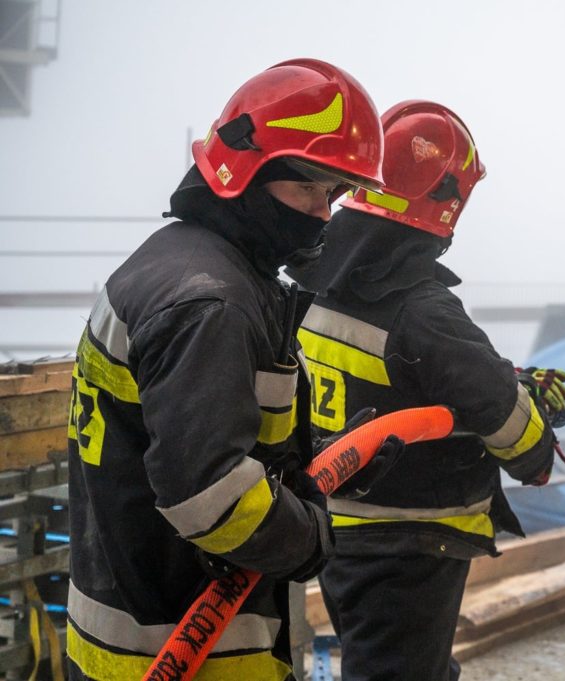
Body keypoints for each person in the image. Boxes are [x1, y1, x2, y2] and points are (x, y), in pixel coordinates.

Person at [65, 58, 395, 680]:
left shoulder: (173, 263)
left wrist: (326, 463)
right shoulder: (211, 303)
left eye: (333, 195)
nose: (323, 215)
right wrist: (310, 539)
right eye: (308, 189)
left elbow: (197, 431)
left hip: (119, 629)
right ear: (246, 172)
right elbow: (208, 494)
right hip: (186, 650)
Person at [288, 101, 565, 681]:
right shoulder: (425, 311)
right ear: (446, 203)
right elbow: (521, 444)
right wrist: (535, 417)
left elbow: (408, 378)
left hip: (334, 532)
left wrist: (508, 385)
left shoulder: (315, 282)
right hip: (409, 547)